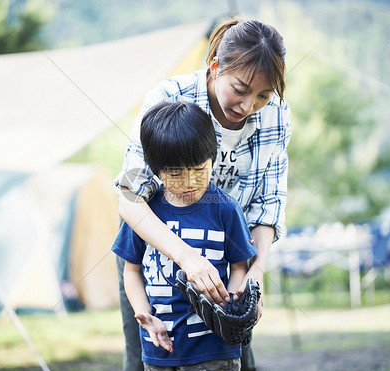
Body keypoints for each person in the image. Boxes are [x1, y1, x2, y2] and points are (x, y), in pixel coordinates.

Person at [115, 17, 291, 371]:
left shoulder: (276, 116)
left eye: (263, 95)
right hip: (158, 251)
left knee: (230, 353)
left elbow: (267, 205)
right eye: (240, 89)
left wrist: (254, 274)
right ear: (215, 68)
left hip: (229, 260)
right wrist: (187, 259)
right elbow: (130, 197)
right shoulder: (166, 99)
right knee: (147, 356)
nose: (248, 105)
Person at [112, 100, 258, 370]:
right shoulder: (144, 214)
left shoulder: (226, 209)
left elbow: (240, 266)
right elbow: (131, 272)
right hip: (160, 348)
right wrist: (145, 315)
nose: (190, 181)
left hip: (215, 350)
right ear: (156, 170)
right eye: (176, 173)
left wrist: (233, 305)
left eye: (200, 169)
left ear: (213, 158)